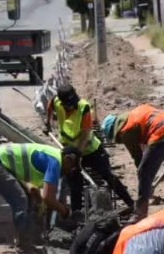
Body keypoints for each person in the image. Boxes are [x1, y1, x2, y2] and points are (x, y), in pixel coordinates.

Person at [45, 83, 133, 216]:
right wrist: (47, 123)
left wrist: (77, 155)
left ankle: (131, 204)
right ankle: (77, 215)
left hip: (91, 150)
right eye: (69, 104)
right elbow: (50, 104)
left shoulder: (84, 108)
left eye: (73, 103)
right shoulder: (57, 102)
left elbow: (85, 135)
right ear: (62, 103)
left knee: (108, 176)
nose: (72, 106)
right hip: (69, 150)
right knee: (75, 185)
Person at [0, 143, 81, 253]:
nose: (69, 172)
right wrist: (65, 212)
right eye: (72, 168)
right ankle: (22, 245)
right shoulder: (55, 162)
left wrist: (38, 201)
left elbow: (38, 192)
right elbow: (48, 198)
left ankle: (32, 239)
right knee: (20, 200)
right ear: (68, 159)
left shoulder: (53, 158)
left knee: (29, 199)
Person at [101, 104, 164, 220]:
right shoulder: (133, 116)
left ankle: (140, 212)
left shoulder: (126, 131)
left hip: (160, 131)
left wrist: (146, 183)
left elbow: (138, 158)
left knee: (143, 171)